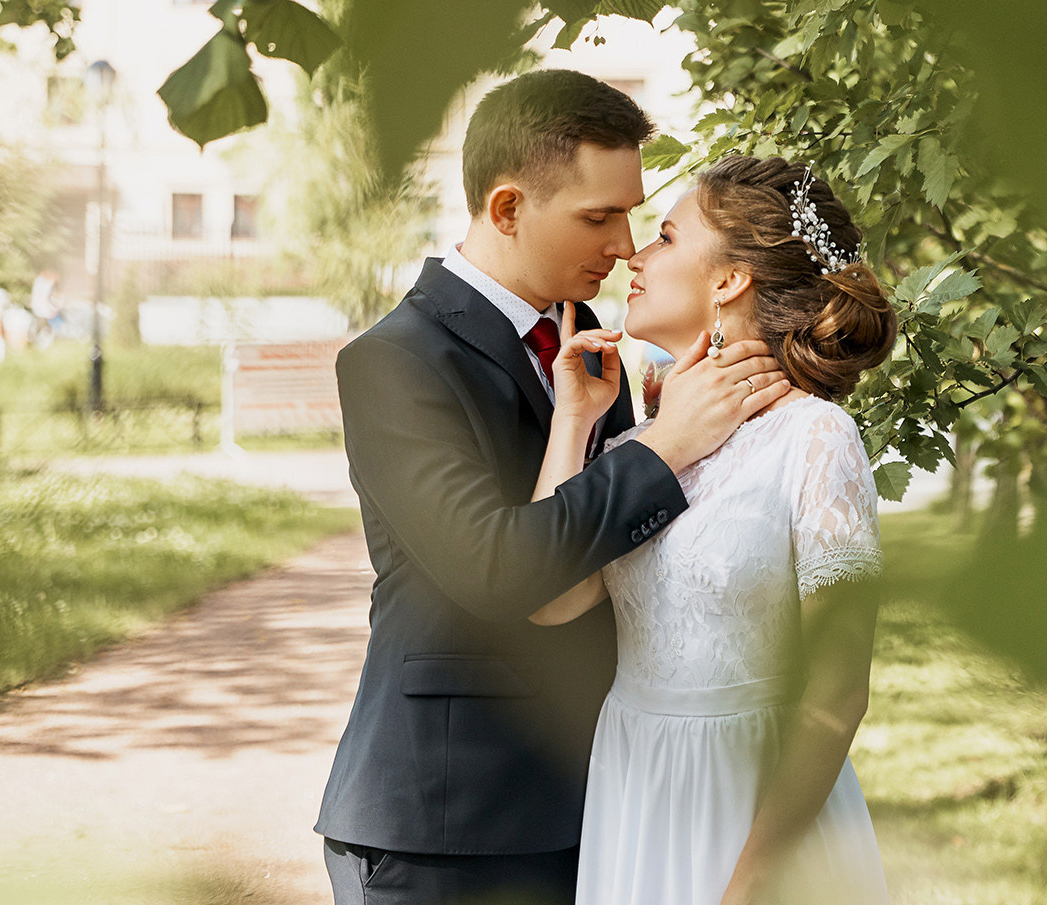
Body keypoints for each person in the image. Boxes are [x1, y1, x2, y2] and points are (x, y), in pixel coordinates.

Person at [316, 71, 793, 905]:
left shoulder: (598, 347)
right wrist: (671, 443)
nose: (624, 243)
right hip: (450, 821)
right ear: (507, 209)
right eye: (598, 216)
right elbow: (494, 569)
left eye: (633, 213)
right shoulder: (394, 362)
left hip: (607, 809)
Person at [526, 155, 899, 905]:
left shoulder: (816, 438)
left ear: (729, 281)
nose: (635, 254)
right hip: (636, 792)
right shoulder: (639, 450)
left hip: (758, 809)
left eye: (664, 236)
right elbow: (550, 599)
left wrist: (754, 881)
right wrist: (574, 421)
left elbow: (839, 689)